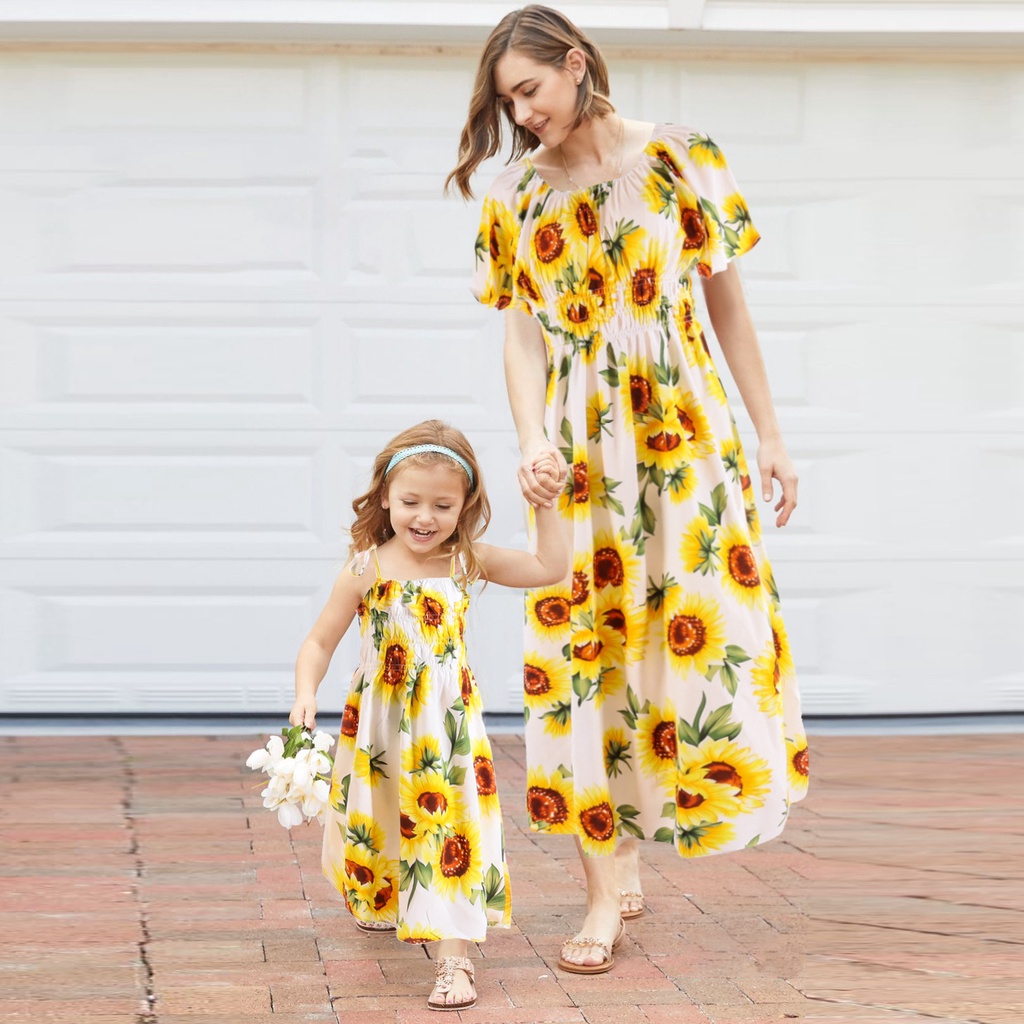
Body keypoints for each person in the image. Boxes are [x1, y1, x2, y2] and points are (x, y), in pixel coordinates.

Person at [446, 4, 809, 975]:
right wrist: (528, 437)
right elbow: (520, 332)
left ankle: (641, 837)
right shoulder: (516, 196)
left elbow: (727, 306)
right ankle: (603, 890)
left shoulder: (683, 157)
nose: (520, 116)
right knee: (578, 649)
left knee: (676, 633)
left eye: (528, 91)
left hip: (685, 437)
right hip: (575, 451)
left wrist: (769, 437)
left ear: (574, 64)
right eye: (505, 103)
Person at [289, 419, 568, 1011]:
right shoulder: (366, 566)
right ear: (385, 496)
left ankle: (454, 959)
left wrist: (546, 502)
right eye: (411, 501)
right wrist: (305, 692)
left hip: (446, 727)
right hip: (379, 724)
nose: (425, 516)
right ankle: (388, 897)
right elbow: (319, 641)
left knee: (451, 828)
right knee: (380, 814)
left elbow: (549, 568)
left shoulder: (467, 560)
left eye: (443, 504)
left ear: (465, 505)